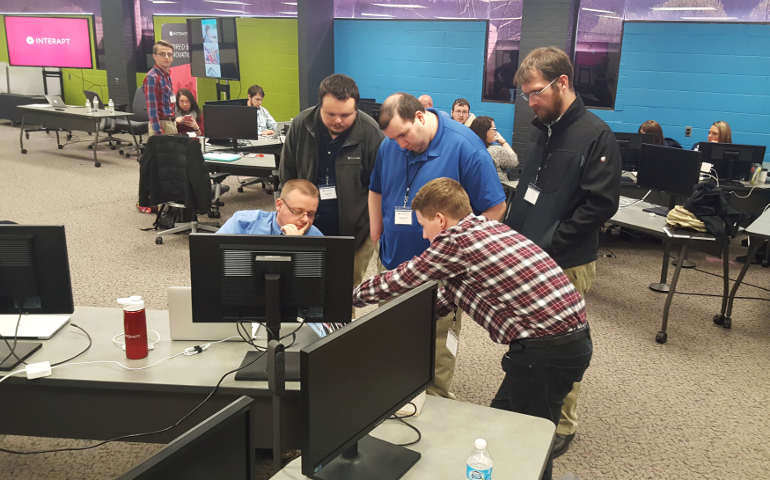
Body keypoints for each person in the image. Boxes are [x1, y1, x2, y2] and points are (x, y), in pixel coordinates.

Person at [354, 177, 591, 480]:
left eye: (424, 226)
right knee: (524, 430)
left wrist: (346, 296)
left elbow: (403, 278)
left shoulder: (456, 241)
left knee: (516, 438)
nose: (425, 236)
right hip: (568, 342)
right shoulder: (487, 229)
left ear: (440, 220)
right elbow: (447, 297)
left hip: (547, 350)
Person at [504, 46, 620, 458]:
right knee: (530, 342)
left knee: (560, 345)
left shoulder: (595, 134)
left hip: (564, 263)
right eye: (526, 94)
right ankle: (529, 404)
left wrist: (551, 242)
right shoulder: (544, 128)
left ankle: (562, 422)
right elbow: (529, 190)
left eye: (536, 92)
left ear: (562, 83)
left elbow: (601, 205)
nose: (531, 101)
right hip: (529, 257)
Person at [370, 92, 506, 398]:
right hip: (393, 262)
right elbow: (376, 188)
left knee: (436, 346)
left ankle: (435, 402)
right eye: (394, 139)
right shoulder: (390, 143)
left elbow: (495, 208)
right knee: (391, 335)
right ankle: (392, 395)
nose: (400, 145)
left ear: (420, 116)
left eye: (403, 135)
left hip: (441, 273)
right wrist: (376, 230)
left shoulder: (465, 146)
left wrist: (462, 255)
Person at [280, 73, 384, 286]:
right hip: (305, 225)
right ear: (319, 107)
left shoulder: (370, 132)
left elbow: (381, 186)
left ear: (356, 109)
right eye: (331, 114)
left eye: (345, 115)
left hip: (354, 233)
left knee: (344, 294)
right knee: (306, 286)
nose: (338, 120)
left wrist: (374, 232)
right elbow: (287, 175)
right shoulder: (302, 125)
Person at [216, 179, 322, 236]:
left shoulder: (316, 237)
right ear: (279, 205)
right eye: (298, 211)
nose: (305, 219)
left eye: (311, 214)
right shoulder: (243, 222)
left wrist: (296, 245)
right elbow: (212, 254)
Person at [470, 116, 519, 183]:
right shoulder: (495, 150)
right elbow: (514, 162)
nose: (496, 132)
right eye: (494, 129)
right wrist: (504, 142)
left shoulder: (469, 148)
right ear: (485, 131)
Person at [143, 40, 177, 137]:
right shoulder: (152, 77)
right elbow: (152, 108)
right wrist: (158, 131)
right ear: (154, 56)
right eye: (162, 54)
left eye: (169, 54)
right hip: (161, 125)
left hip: (170, 123)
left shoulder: (166, 75)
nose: (167, 57)